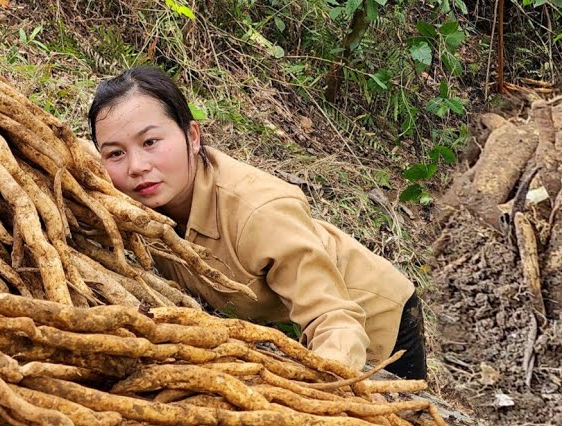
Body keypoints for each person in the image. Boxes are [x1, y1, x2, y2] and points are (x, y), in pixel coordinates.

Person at [88, 66, 427, 380]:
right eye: (115, 153)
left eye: (150, 142)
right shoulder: (128, 195)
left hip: (369, 318)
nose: (136, 166)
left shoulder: (259, 212)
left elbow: (333, 320)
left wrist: (322, 397)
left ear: (192, 136)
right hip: (283, 324)